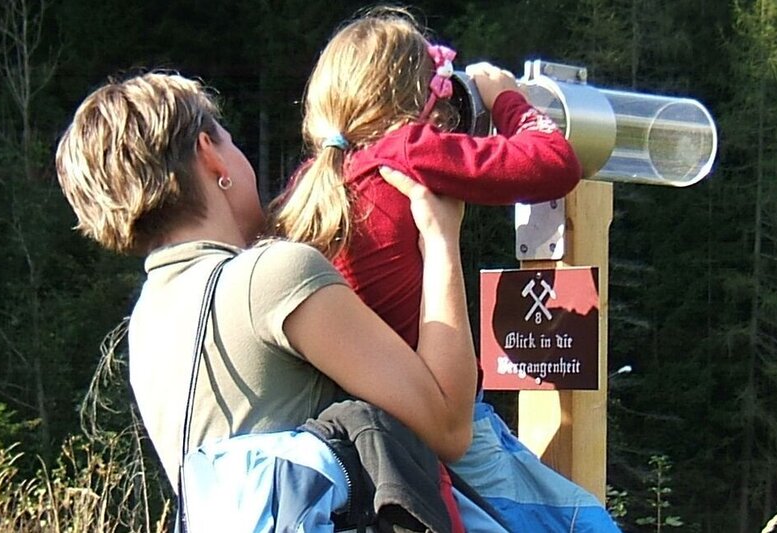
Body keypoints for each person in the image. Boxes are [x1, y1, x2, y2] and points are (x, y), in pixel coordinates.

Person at [53, 72, 478, 494]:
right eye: (229, 141)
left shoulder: (148, 319)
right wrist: (440, 235)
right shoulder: (271, 277)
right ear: (210, 155)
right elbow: (448, 426)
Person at [270, 6, 581, 350]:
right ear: (419, 98)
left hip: (359, 392)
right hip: (426, 392)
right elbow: (555, 163)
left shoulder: (311, 180)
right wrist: (507, 100)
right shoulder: (408, 150)